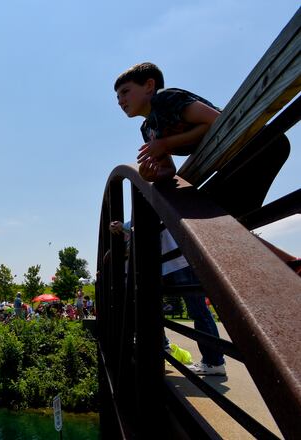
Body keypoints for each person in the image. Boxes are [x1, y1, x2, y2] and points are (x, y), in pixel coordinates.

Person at [114, 62, 289, 219]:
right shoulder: (148, 130)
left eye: (125, 92)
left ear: (149, 85)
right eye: (118, 97)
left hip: (256, 143)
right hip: (233, 160)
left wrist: (166, 144)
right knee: (230, 219)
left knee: (226, 218)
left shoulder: (166, 99)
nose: (121, 101)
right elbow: (169, 169)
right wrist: (150, 175)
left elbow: (216, 120)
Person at [110, 220, 226, 375]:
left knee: (198, 311)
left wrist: (122, 226)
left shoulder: (160, 203)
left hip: (179, 262)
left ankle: (214, 362)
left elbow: (146, 218)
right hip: (168, 265)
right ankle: (165, 346)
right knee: (150, 307)